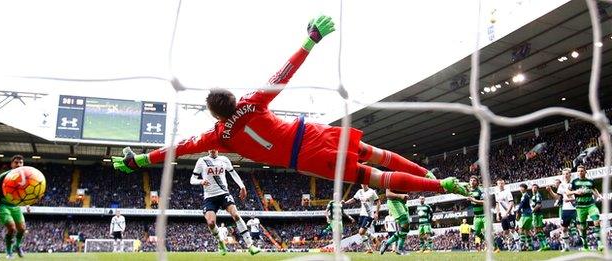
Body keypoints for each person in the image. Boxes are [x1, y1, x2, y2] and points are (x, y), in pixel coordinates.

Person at [111, 15, 468, 197]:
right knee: (376, 153)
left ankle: (440, 187)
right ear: (234, 99)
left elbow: (179, 149)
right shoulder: (253, 103)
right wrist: (310, 40)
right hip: (312, 132)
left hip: (306, 158)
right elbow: (283, 73)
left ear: (215, 114)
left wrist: (141, 159)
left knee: (373, 178)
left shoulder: (219, 137)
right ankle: (428, 174)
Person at [191, 149, 259, 255]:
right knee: (211, 223)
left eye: (214, 147)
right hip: (210, 197)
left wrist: (242, 186)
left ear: (217, 148)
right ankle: (221, 242)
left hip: (223, 194)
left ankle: (250, 245)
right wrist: (201, 181)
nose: (212, 149)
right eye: (210, 147)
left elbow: (233, 173)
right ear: (208, 149)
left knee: (236, 215)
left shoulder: (224, 159)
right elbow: (192, 179)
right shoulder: (202, 160)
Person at [0, 155, 27, 258]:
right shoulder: (4, 176)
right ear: (12, 164)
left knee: (22, 229)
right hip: (3, 206)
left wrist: (27, 204)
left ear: (23, 164)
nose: (18, 164)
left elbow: (26, 193)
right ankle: (9, 252)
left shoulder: (24, 178)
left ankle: (17, 246)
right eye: (16, 162)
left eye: (21, 162)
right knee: (12, 228)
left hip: (15, 206)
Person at [566, 165, 603, 251]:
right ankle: (585, 245)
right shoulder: (574, 182)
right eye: (578, 171)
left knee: (596, 221)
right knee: (582, 228)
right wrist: (576, 192)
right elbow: (567, 192)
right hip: (580, 207)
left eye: (582, 171)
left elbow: (594, 189)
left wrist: (599, 196)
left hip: (591, 205)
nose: (580, 172)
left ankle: (600, 244)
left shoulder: (590, 181)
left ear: (585, 172)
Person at [343, 184, 380, 253]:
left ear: (367, 183)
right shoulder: (359, 191)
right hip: (362, 214)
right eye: (362, 183)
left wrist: (376, 213)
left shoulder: (372, 192)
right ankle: (369, 248)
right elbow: (353, 199)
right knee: (361, 233)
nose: (363, 185)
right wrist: (345, 202)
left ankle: (373, 238)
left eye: (364, 183)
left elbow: (378, 202)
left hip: (369, 215)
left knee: (361, 232)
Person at [546, 169, 577, 252]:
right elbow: (558, 197)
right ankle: (566, 246)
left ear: (570, 174)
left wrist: (573, 199)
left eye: (567, 174)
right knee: (564, 229)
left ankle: (585, 245)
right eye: (564, 174)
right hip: (566, 209)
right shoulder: (561, 185)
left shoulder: (575, 183)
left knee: (581, 227)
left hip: (576, 208)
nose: (565, 175)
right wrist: (550, 191)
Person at [379, 189, 410, 255]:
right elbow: (388, 194)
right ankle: (399, 248)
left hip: (402, 203)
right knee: (405, 223)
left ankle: (387, 243)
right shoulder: (392, 178)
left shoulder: (404, 180)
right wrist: (400, 196)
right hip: (394, 202)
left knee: (405, 229)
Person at [494, 178, 519, 252]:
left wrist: (507, 213)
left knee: (512, 230)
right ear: (497, 184)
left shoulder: (507, 192)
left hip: (510, 214)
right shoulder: (497, 193)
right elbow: (497, 204)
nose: (501, 185)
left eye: (502, 183)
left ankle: (518, 247)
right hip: (503, 215)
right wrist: (497, 214)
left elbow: (511, 203)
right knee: (506, 232)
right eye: (499, 183)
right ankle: (511, 245)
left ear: (504, 184)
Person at [466, 176, 489, 252]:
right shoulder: (469, 191)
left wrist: (473, 200)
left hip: (485, 215)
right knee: (477, 233)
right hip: (476, 216)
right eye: (471, 180)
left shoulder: (481, 190)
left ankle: (495, 247)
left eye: (474, 180)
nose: (472, 181)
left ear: (477, 182)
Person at [531, 184, 550, 251]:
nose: (534, 189)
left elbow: (539, 205)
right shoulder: (534, 196)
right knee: (539, 230)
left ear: (537, 189)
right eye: (533, 188)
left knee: (537, 230)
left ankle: (543, 246)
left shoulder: (537, 195)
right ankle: (545, 245)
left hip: (537, 214)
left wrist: (532, 211)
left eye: (535, 188)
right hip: (537, 214)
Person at [516, 184, 534, 251]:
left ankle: (521, 246)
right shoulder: (527, 195)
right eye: (520, 187)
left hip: (525, 215)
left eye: (522, 188)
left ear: (525, 189)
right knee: (527, 231)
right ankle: (530, 247)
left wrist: (517, 212)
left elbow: (521, 204)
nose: (520, 189)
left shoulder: (524, 195)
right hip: (529, 214)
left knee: (521, 229)